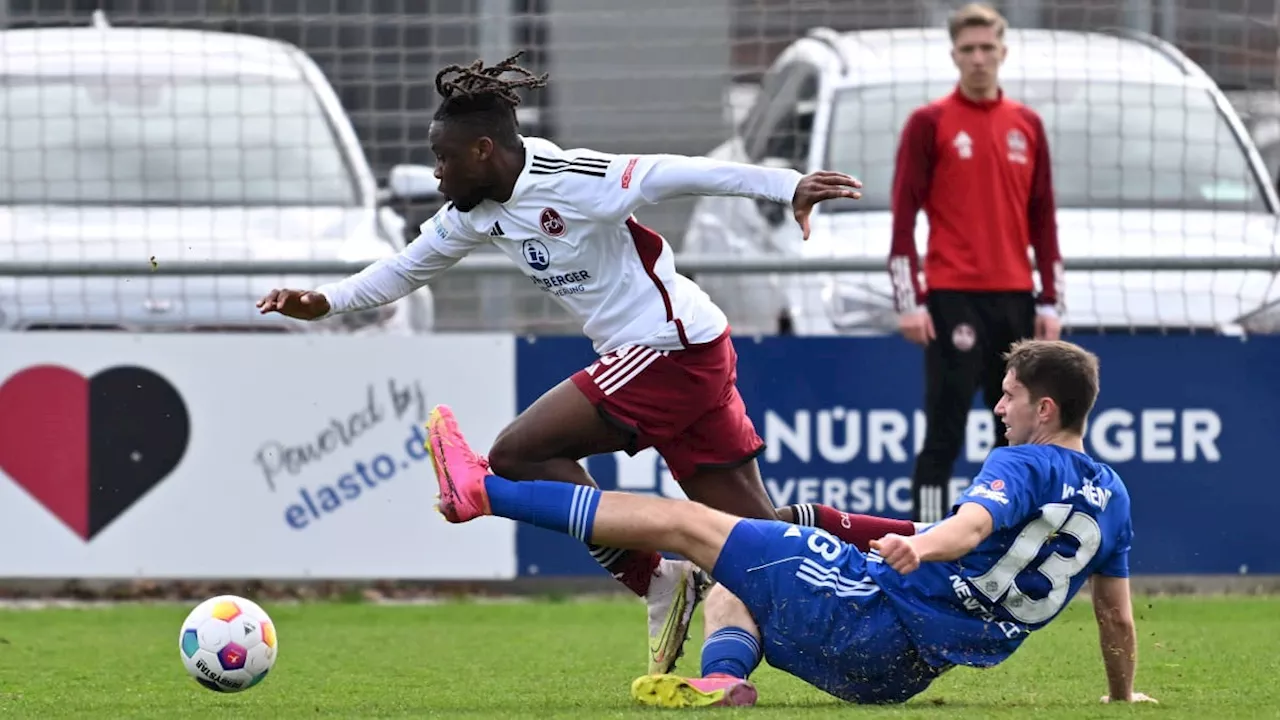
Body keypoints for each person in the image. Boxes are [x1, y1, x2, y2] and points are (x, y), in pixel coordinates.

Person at [255, 51, 918, 676]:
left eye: (443, 158)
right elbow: (403, 269)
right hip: (689, 353)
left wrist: (784, 186)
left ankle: (657, 577)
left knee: (516, 454)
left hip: (668, 351)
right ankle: (926, 541)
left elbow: (677, 171)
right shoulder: (474, 211)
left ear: (484, 151)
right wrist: (326, 301)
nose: (437, 173)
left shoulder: (570, 179)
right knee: (760, 539)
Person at [425, 339, 1156, 708]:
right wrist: (1121, 698)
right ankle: (722, 681)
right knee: (732, 576)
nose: (1001, 410)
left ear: (1046, 410)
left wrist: (919, 544)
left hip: (868, 615)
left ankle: (485, 494)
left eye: (1009, 397)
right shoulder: (1113, 499)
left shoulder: (1021, 465)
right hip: (896, 676)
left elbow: (961, 534)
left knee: (689, 525)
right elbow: (1116, 620)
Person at [888, 2, 1066, 524]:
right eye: (968, 49)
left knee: (1014, 431)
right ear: (954, 55)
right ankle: (921, 540)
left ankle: (1003, 539)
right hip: (951, 297)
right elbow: (903, 218)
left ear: (1003, 52)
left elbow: (1045, 221)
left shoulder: (1026, 125)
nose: (979, 59)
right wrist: (909, 300)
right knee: (944, 428)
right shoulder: (930, 123)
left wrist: (1050, 299)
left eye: (988, 48)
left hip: (1016, 298)